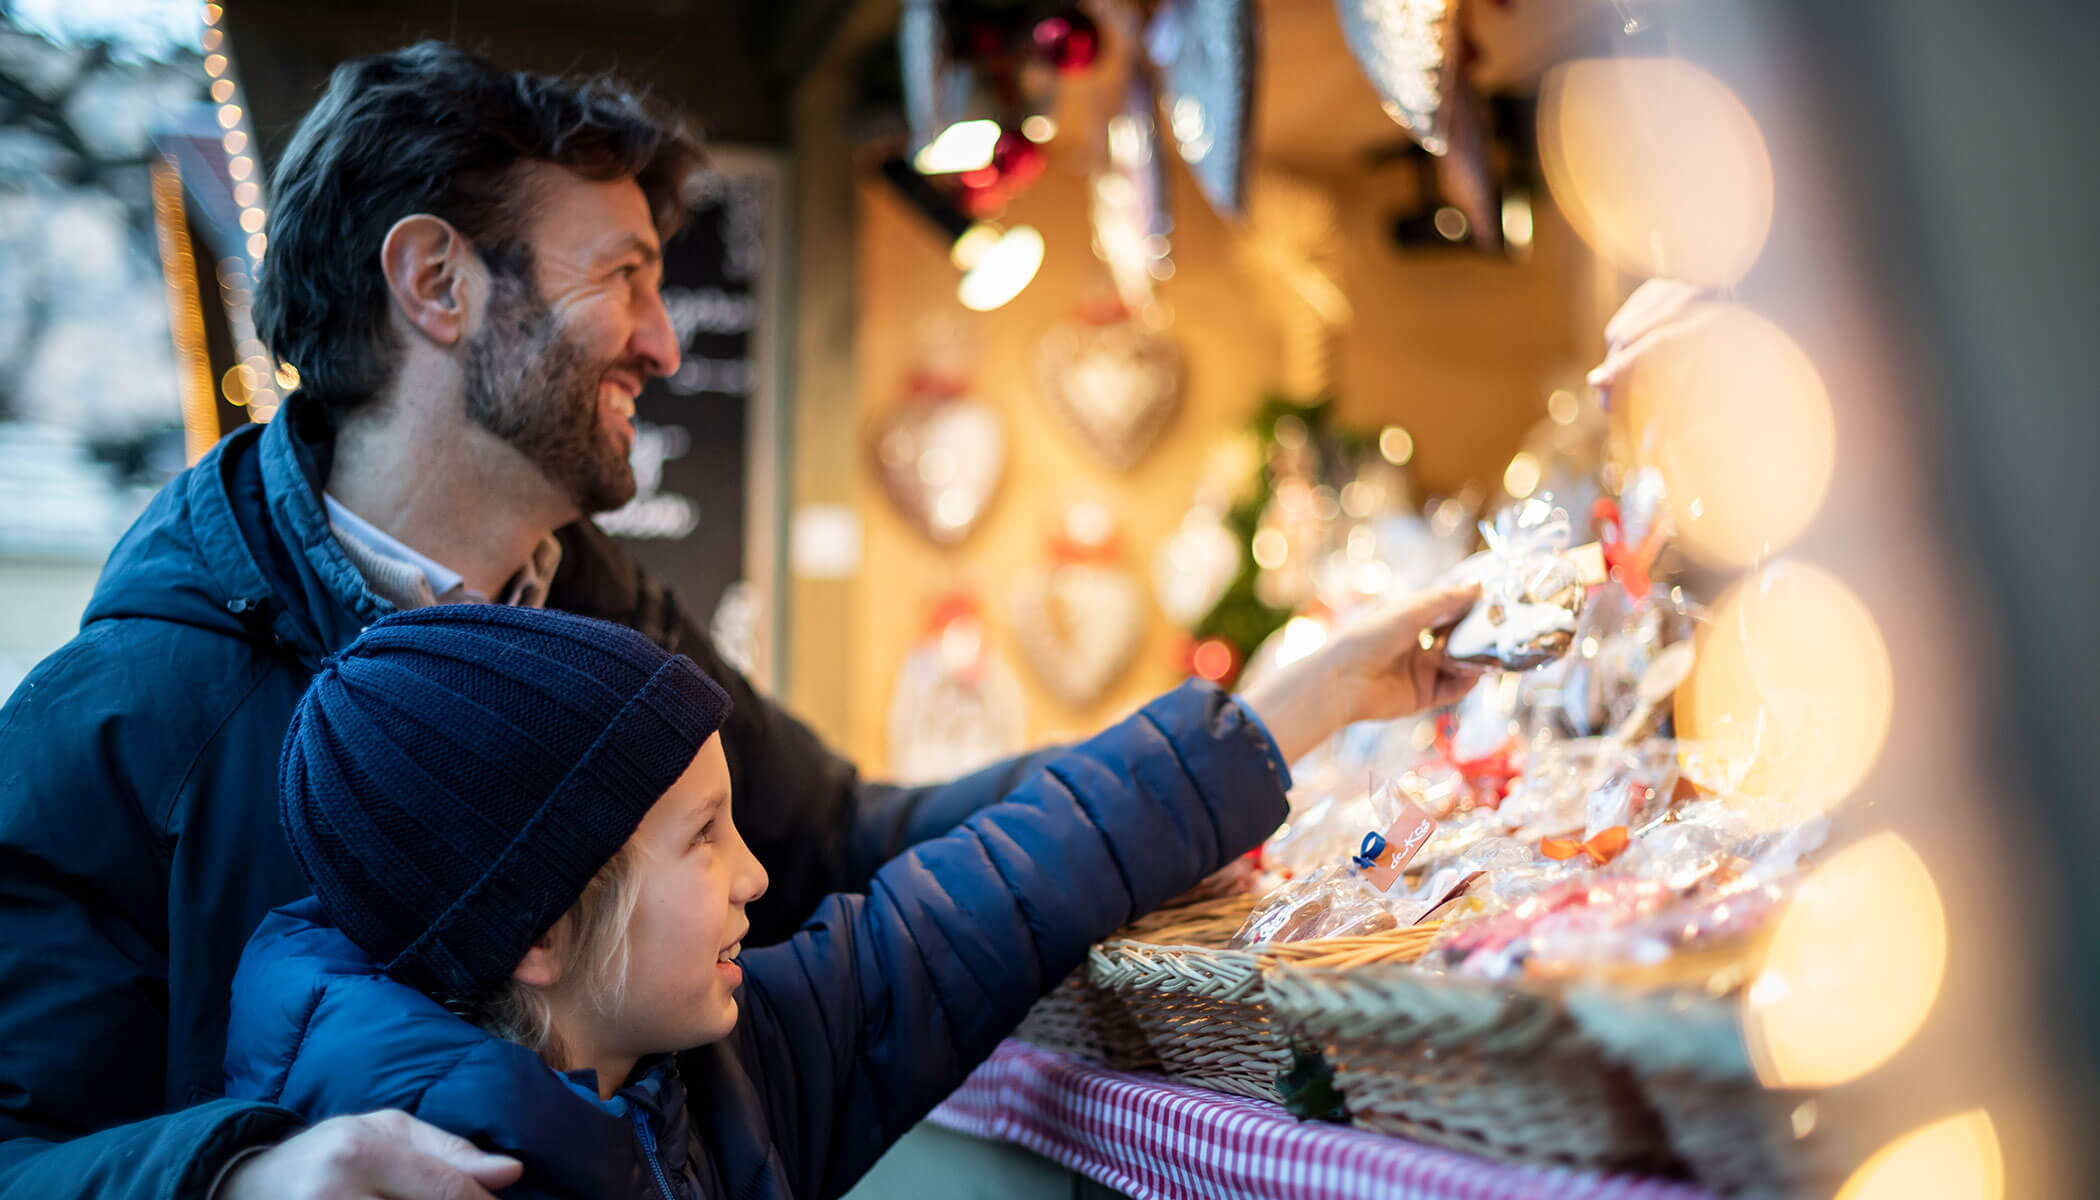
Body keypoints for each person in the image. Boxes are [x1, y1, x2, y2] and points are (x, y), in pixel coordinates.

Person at [0, 40, 1483, 1197]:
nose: (660, 336)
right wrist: (234, 1176)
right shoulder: (128, 716)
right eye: (624, 279)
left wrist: (1253, 728)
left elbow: (855, 849)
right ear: (436, 283)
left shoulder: (605, 616)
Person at [221, 603, 1304, 1199]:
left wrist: (1286, 714)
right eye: (702, 838)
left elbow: (963, 911)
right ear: (539, 928)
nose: (757, 874)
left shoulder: (700, 1074)